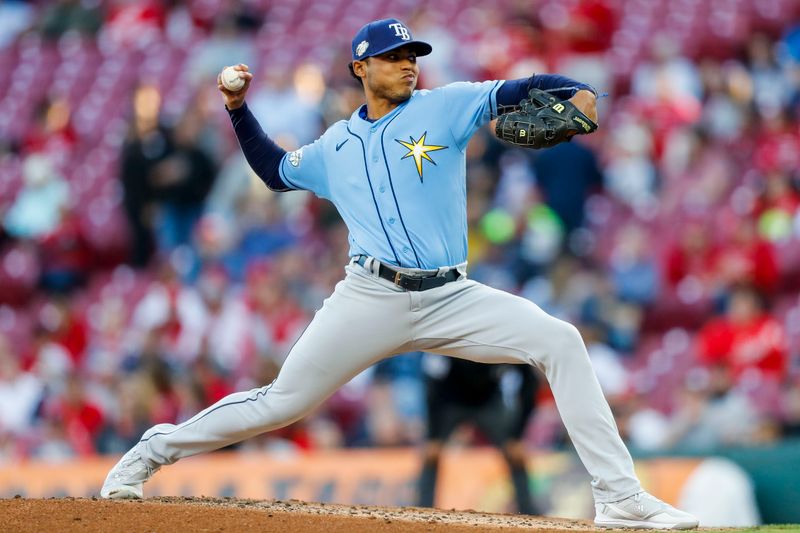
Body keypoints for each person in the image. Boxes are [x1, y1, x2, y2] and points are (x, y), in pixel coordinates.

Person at [101, 18, 699, 529]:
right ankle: (152, 452)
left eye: (413, 55)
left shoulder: (445, 106)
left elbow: (523, 87)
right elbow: (275, 171)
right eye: (394, 58)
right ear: (361, 68)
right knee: (280, 403)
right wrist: (237, 109)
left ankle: (620, 499)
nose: (409, 65)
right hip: (370, 297)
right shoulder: (335, 145)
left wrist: (580, 91)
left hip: (452, 295)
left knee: (561, 341)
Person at [418, 357, 539, 515]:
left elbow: (530, 382)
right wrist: (432, 435)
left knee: (515, 454)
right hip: (450, 400)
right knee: (431, 454)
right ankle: (421, 512)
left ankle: (529, 514)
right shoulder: (452, 337)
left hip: (488, 401)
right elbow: (432, 380)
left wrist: (517, 436)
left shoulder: (506, 343)